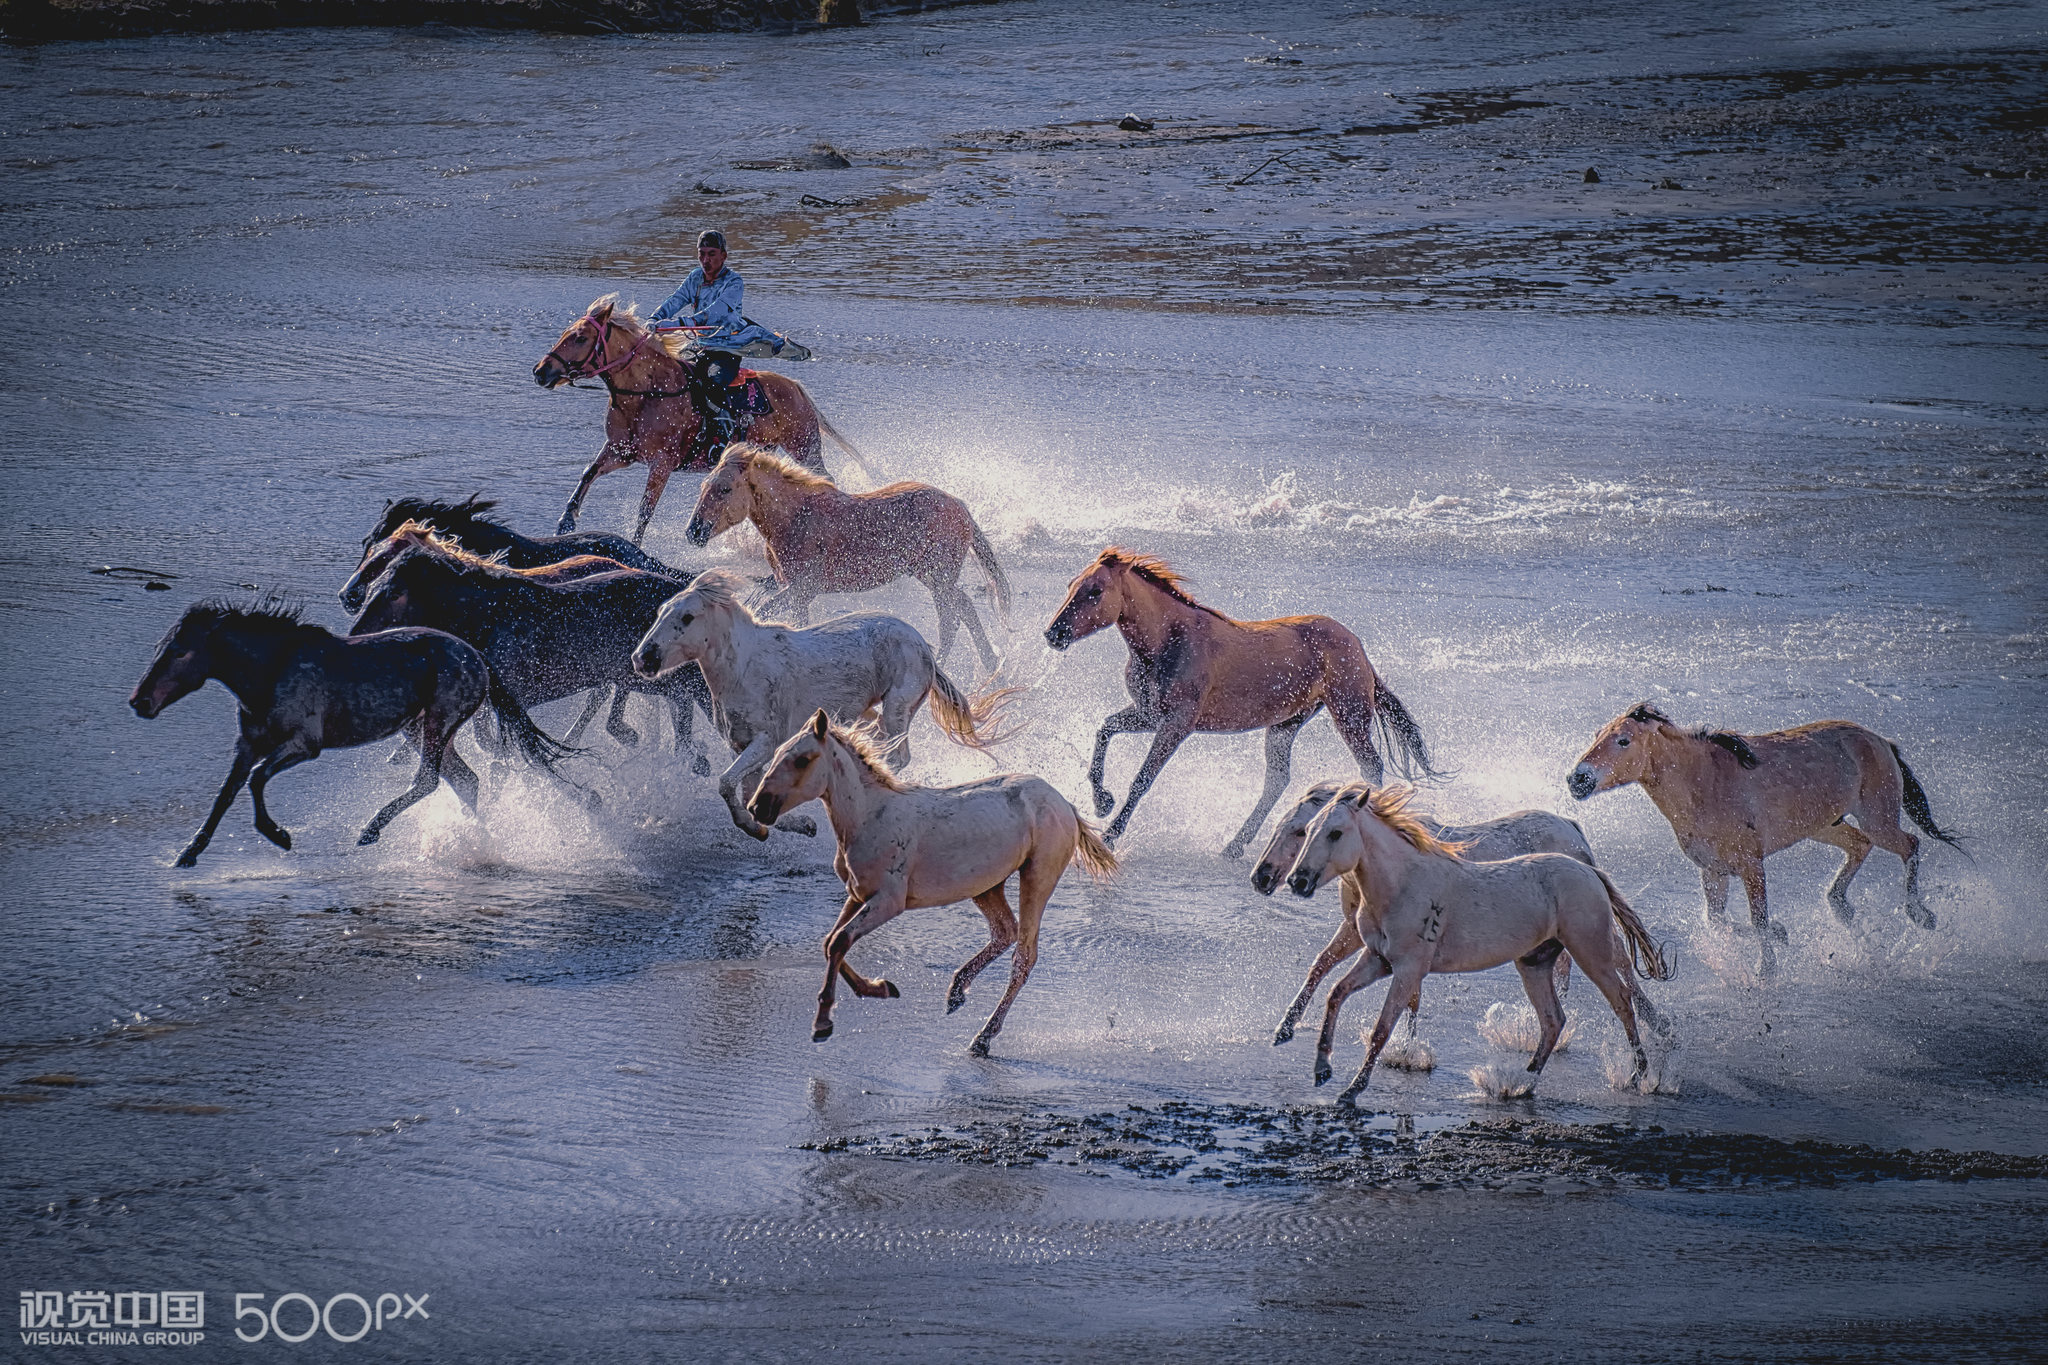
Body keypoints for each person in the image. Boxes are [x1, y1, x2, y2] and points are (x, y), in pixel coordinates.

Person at [646, 230, 782, 462]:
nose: (705, 260)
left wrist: (683, 323)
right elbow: (676, 300)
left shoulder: (734, 282)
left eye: (711, 254)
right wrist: (654, 318)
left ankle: (720, 439)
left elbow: (717, 311)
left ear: (723, 256)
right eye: (701, 254)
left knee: (713, 380)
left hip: (727, 349)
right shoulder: (695, 278)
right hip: (699, 346)